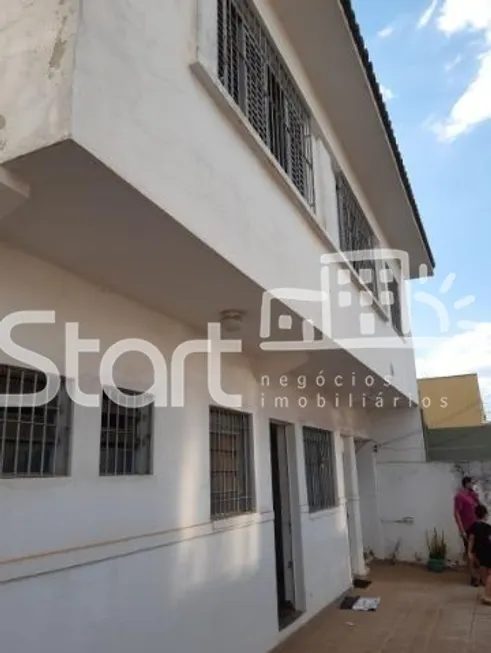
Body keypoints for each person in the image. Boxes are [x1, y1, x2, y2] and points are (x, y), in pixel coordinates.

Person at [454, 476, 480, 586]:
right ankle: (473, 576)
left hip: (476, 526)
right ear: (466, 483)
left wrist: (476, 497)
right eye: (471, 483)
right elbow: (456, 513)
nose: (473, 485)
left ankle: (479, 574)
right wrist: (461, 530)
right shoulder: (459, 496)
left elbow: (479, 508)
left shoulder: (472, 495)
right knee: (470, 552)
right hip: (467, 528)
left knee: (478, 552)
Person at [468, 505, 491, 604]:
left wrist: (469, 552)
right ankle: (488, 596)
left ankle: (487, 593)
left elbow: (471, 540)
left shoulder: (473, 526)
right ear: (485, 515)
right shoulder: (488, 527)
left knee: (484, 576)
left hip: (480, 553)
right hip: (489, 551)